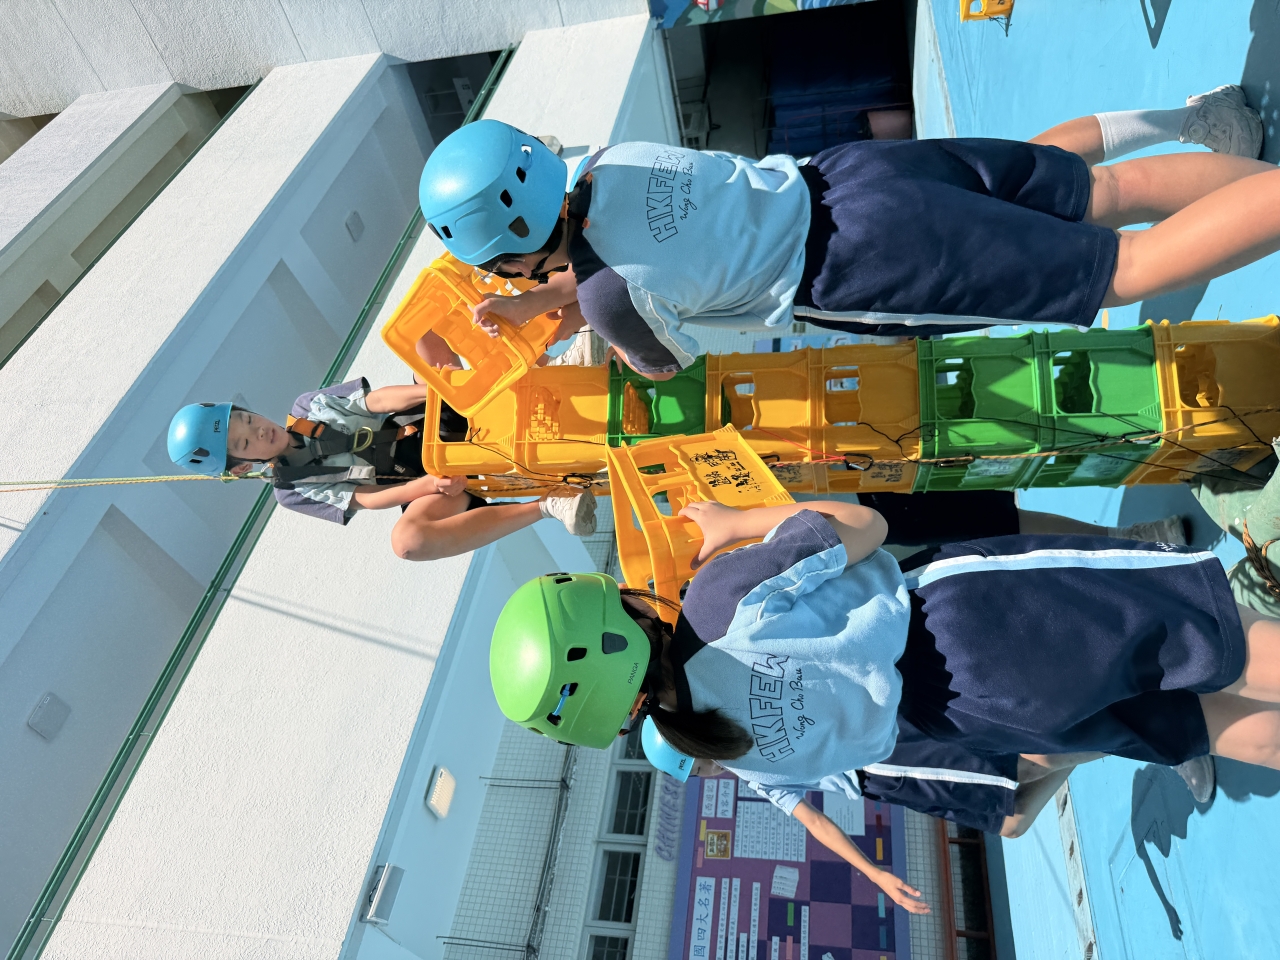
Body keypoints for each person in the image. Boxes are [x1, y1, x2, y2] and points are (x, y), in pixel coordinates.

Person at [487, 499, 1280, 907]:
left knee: (1195, 724)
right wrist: (738, 523)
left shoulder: (718, 744)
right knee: (1220, 638)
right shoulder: (714, 601)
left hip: (957, 720)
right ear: (617, 615)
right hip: (967, 620)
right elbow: (866, 526)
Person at [417, 87, 1270, 377]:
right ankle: (1210, 122)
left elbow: (658, 354)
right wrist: (545, 302)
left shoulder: (610, 301)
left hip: (864, 263)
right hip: (851, 175)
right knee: (1099, 190)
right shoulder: (615, 157)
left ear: (512, 253)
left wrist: (569, 322)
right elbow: (630, 253)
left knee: (1119, 271)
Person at [640, 719, 1213, 912]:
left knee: (1022, 766)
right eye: (701, 775)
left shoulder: (743, 723)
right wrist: (873, 873)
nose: (711, 775)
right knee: (1012, 820)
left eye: (700, 767)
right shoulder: (750, 772)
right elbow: (813, 821)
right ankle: (1116, 739)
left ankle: (1166, 736)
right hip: (882, 781)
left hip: (881, 750)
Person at [166, 378, 596, 561]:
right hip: (422, 484)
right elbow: (366, 499)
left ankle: (559, 378)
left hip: (430, 426)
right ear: (243, 466)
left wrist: (437, 389)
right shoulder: (291, 490)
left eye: (246, 419)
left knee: (429, 348)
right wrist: (428, 485)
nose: (258, 431)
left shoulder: (307, 406)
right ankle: (549, 505)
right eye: (244, 443)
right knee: (407, 542)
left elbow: (377, 402)